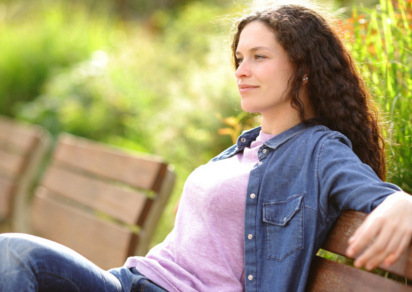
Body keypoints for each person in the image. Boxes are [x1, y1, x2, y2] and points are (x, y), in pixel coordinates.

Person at [1, 4, 411, 292]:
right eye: (238, 58)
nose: (241, 71)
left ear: (303, 69)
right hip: (130, 281)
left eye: (258, 57)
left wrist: (402, 204)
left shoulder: (318, 150)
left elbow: (377, 195)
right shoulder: (245, 147)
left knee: (17, 253)